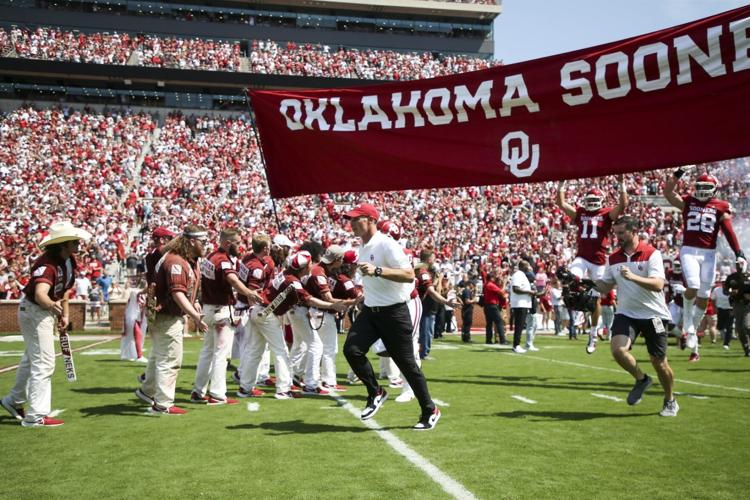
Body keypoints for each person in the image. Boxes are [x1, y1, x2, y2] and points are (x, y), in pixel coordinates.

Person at [342, 203, 441, 430]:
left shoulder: (387, 244)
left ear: (370, 219)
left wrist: (378, 271)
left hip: (394, 312)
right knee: (351, 350)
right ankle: (376, 391)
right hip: (371, 310)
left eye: (356, 219)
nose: (352, 224)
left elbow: (409, 275)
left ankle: (429, 409)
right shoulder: (364, 246)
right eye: (350, 219)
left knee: (407, 365)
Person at [1, 221, 91, 427]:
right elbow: (41, 294)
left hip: (43, 311)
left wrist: (64, 315)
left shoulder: (68, 260)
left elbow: (65, 290)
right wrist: (53, 306)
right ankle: (36, 415)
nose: (78, 242)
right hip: (35, 311)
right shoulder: (47, 264)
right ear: (63, 244)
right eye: (74, 240)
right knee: (44, 362)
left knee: (31, 360)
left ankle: (13, 401)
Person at [594, 216, 678, 417]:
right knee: (617, 350)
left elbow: (658, 284)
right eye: (616, 233)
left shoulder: (652, 253)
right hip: (626, 313)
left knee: (659, 362)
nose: (618, 237)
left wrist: (632, 277)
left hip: (654, 315)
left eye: (622, 233)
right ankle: (642, 379)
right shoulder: (613, 257)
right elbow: (605, 286)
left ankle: (670, 400)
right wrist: (584, 284)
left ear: (634, 231)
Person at [663, 166, 745, 362]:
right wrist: (679, 172)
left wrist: (738, 253)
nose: (702, 189)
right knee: (693, 285)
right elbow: (667, 191)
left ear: (714, 188)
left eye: (706, 186)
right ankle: (689, 324)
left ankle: (690, 327)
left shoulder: (720, 206)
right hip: (689, 250)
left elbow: (728, 231)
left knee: (704, 296)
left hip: (709, 253)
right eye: (700, 185)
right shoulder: (688, 202)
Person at [135, 225, 209, 415]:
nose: (206, 245)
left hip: (165, 315)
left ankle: (146, 391)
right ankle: (163, 403)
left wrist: (196, 302)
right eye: (203, 241)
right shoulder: (176, 261)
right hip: (167, 315)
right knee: (170, 359)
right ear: (192, 241)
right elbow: (177, 293)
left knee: (157, 357)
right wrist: (194, 315)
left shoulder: (185, 260)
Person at [557, 175, 628, 354]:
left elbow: (623, 206)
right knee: (570, 277)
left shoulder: (606, 214)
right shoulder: (581, 213)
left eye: (594, 200)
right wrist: (562, 183)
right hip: (582, 257)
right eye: (589, 200)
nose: (591, 203)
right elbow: (561, 204)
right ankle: (579, 306)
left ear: (601, 201)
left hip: (599, 261)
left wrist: (621, 184)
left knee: (596, 299)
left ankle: (593, 335)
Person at [191, 228, 263, 406]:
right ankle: (217, 394)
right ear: (227, 243)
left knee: (207, 352)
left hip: (208, 309)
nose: (241, 246)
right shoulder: (222, 260)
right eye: (238, 242)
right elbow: (232, 279)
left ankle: (198, 391)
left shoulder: (209, 256)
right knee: (221, 355)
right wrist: (249, 293)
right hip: (221, 311)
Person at [235, 234, 302, 400]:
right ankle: (283, 389)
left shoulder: (250, 259)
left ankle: (245, 387)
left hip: (255, 310)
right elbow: (254, 292)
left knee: (254, 349)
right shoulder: (259, 266)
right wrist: (265, 310)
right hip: (260, 308)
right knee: (280, 349)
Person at [722, 266, 750, 356]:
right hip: (736, 304)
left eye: (741, 264)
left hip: (748, 304)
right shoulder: (731, 277)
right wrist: (730, 292)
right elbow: (725, 290)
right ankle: (746, 349)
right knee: (739, 328)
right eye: (737, 264)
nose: (739, 266)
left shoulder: (748, 276)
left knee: (746, 326)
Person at [510, 260, 534, 353]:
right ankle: (516, 345)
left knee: (520, 325)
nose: (529, 267)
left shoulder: (522, 275)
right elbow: (515, 289)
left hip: (523, 304)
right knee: (519, 325)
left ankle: (516, 344)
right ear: (523, 266)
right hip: (519, 304)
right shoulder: (518, 275)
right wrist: (529, 292)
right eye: (527, 265)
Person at [482, 272, 508, 344]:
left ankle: (488, 340)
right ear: (491, 278)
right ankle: (502, 340)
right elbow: (501, 292)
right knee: (499, 322)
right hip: (492, 306)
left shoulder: (485, 285)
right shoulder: (491, 285)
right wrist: (505, 283)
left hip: (487, 306)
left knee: (489, 324)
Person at [711, 278, 734, 350]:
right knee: (720, 326)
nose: (724, 283)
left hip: (730, 309)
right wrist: (715, 308)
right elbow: (713, 299)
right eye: (723, 282)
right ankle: (724, 335)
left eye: (725, 282)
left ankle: (726, 343)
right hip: (720, 309)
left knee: (729, 327)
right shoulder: (716, 290)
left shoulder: (732, 290)